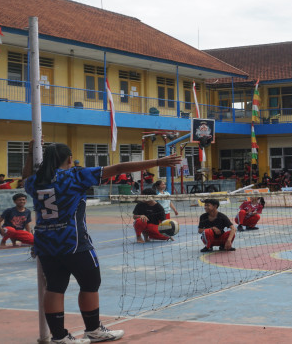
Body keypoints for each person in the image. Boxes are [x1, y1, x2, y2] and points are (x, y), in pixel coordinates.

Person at [24, 141, 182, 344]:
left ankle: (59, 337)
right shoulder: (75, 176)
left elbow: (25, 178)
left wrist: (30, 153)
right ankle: (93, 329)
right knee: (90, 283)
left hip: (45, 243)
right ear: (70, 159)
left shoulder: (35, 181)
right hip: (73, 241)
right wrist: (159, 162)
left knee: (54, 287)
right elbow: (119, 168)